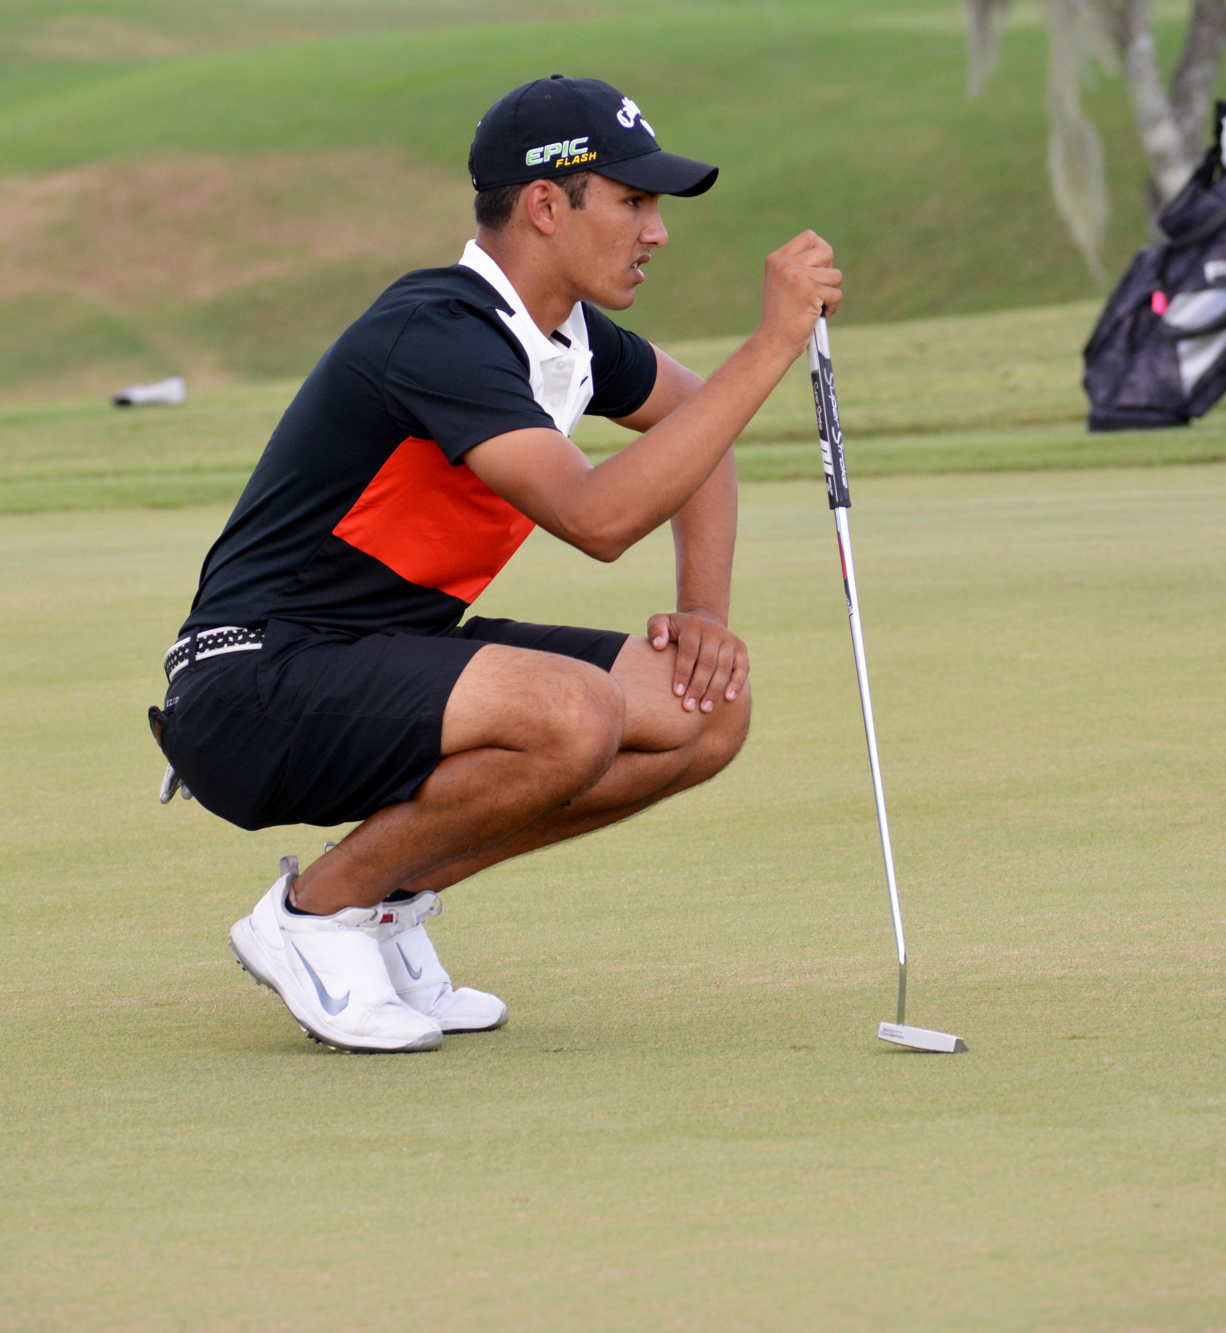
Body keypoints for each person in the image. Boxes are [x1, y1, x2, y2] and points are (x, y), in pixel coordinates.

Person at [149, 75, 842, 1052]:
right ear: (546, 204)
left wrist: (704, 614)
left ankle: (382, 904)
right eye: (632, 201)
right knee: (577, 714)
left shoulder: (565, 337)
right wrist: (771, 344)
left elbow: (698, 430)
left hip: (375, 659)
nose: (656, 231)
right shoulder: (437, 329)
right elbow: (595, 520)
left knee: (703, 709)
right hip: (252, 680)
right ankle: (313, 915)